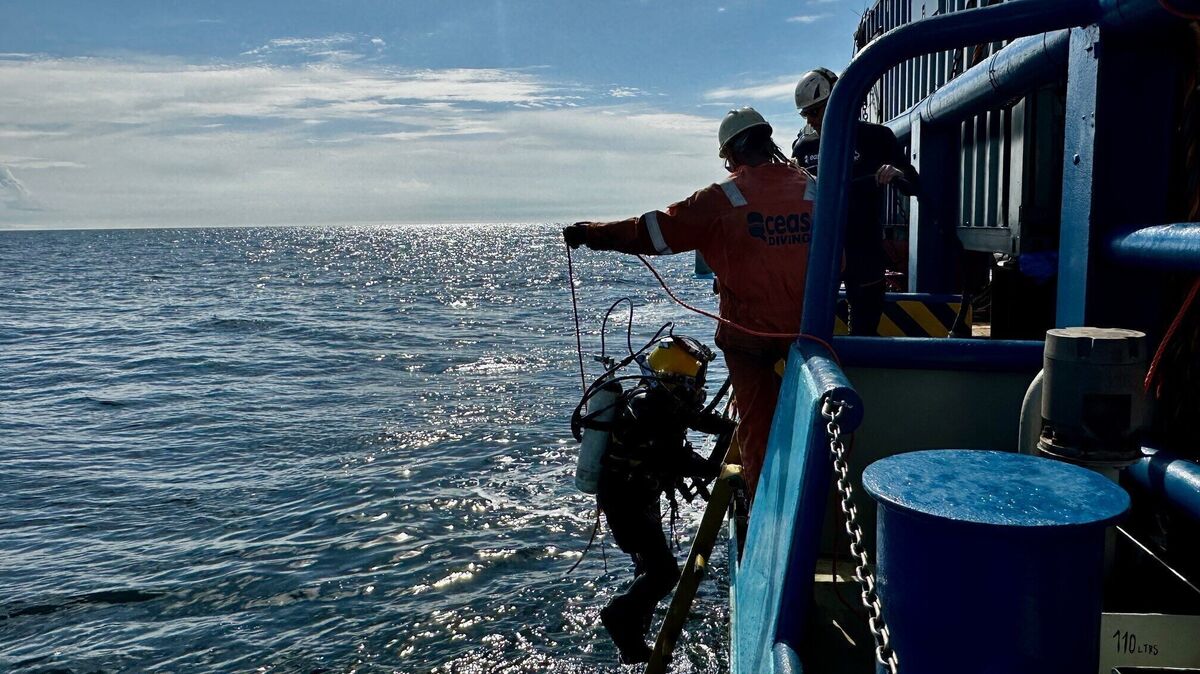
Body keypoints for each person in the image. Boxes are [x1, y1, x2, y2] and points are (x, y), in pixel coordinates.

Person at [563, 107, 814, 502]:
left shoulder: (722, 198)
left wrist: (590, 234)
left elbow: (651, 231)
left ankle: (766, 503)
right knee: (814, 416)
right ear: (768, 141)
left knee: (756, 423)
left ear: (731, 154)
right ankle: (816, 489)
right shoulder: (812, 187)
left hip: (749, 338)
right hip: (809, 330)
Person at [589, 336, 727, 664]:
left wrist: (730, 425)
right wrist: (717, 468)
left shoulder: (658, 402)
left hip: (638, 496)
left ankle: (633, 639)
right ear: (672, 382)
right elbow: (675, 457)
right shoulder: (647, 410)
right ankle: (619, 615)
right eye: (690, 384)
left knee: (650, 567)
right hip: (626, 502)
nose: (695, 392)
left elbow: (692, 419)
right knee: (664, 572)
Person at [792, 67, 920, 336]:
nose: (812, 120)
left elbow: (914, 184)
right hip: (820, 251)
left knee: (864, 328)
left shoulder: (877, 138)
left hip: (865, 250)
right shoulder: (804, 149)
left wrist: (896, 175)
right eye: (807, 114)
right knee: (808, 328)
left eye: (816, 111)